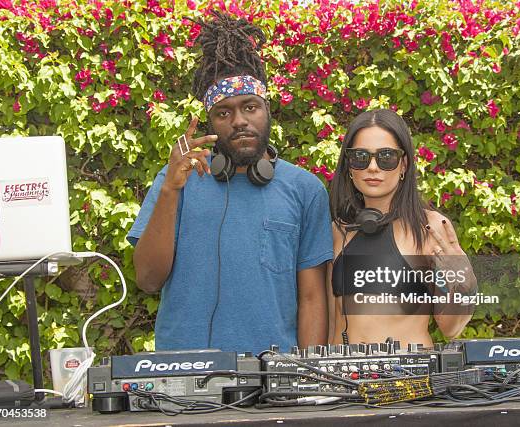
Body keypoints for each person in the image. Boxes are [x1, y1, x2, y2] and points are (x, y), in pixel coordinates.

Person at [127, 12, 333, 354]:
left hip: (273, 378)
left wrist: (306, 375)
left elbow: (312, 298)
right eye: (224, 113)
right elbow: (148, 280)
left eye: (250, 107)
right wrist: (169, 190)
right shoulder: (175, 180)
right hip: (185, 376)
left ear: (267, 110)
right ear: (210, 123)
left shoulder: (305, 189)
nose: (239, 121)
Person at [327, 109, 477, 348]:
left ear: (404, 164)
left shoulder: (431, 228)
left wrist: (464, 278)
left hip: (408, 380)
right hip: (344, 379)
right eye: (361, 157)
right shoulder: (337, 231)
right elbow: (330, 323)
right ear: (349, 166)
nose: (373, 167)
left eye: (386, 157)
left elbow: (452, 328)